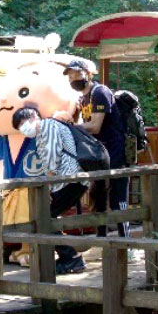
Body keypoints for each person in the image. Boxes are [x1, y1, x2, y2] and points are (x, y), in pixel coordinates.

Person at [12, 107, 87, 275]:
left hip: (70, 179)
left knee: (43, 216)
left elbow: (52, 161)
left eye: (23, 123)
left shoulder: (48, 126)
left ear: (33, 117)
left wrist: (47, 189)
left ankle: (72, 258)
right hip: (70, 180)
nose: (23, 129)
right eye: (20, 128)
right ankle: (69, 257)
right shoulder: (45, 131)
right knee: (46, 217)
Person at [62, 59, 129, 239]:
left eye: (77, 74)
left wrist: (71, 127)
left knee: (118, 198)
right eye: (70, 75)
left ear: (89, 74)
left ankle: (127, 242)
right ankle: (102, 239)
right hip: (98, 154)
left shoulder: (100, 92)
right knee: (98, 195)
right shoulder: (82, 98)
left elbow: (95, 126)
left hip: (115, 152)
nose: (73, 78)